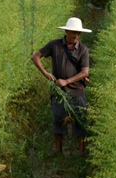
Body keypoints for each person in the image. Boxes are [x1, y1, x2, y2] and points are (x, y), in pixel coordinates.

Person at [31, 17, 91, 155]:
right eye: (73, 32)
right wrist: (46, 74)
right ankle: (58, 152)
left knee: (80, 121)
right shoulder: (55, 45)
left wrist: (67, 81)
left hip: (77, 91)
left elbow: (84, 72)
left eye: (78, 33)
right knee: (58, 120)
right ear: (66, 31)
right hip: (59, 91)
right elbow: (35, 57)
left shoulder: (83, 50)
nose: (76, 36)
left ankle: (80, 153)